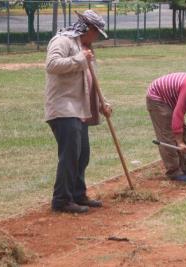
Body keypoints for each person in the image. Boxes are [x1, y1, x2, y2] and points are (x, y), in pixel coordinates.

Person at [44, 10, 112, 213]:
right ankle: (61, 200)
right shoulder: (62, 41)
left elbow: (90, 82)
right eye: (97, 32)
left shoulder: (85, 47)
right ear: (88, 29)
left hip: (79, 109)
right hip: (63, 108)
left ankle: (77, 194)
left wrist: (102, 103)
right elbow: (51, 65)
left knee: (83, 155)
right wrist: (80, 59)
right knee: (70, 155)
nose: (98, 37)